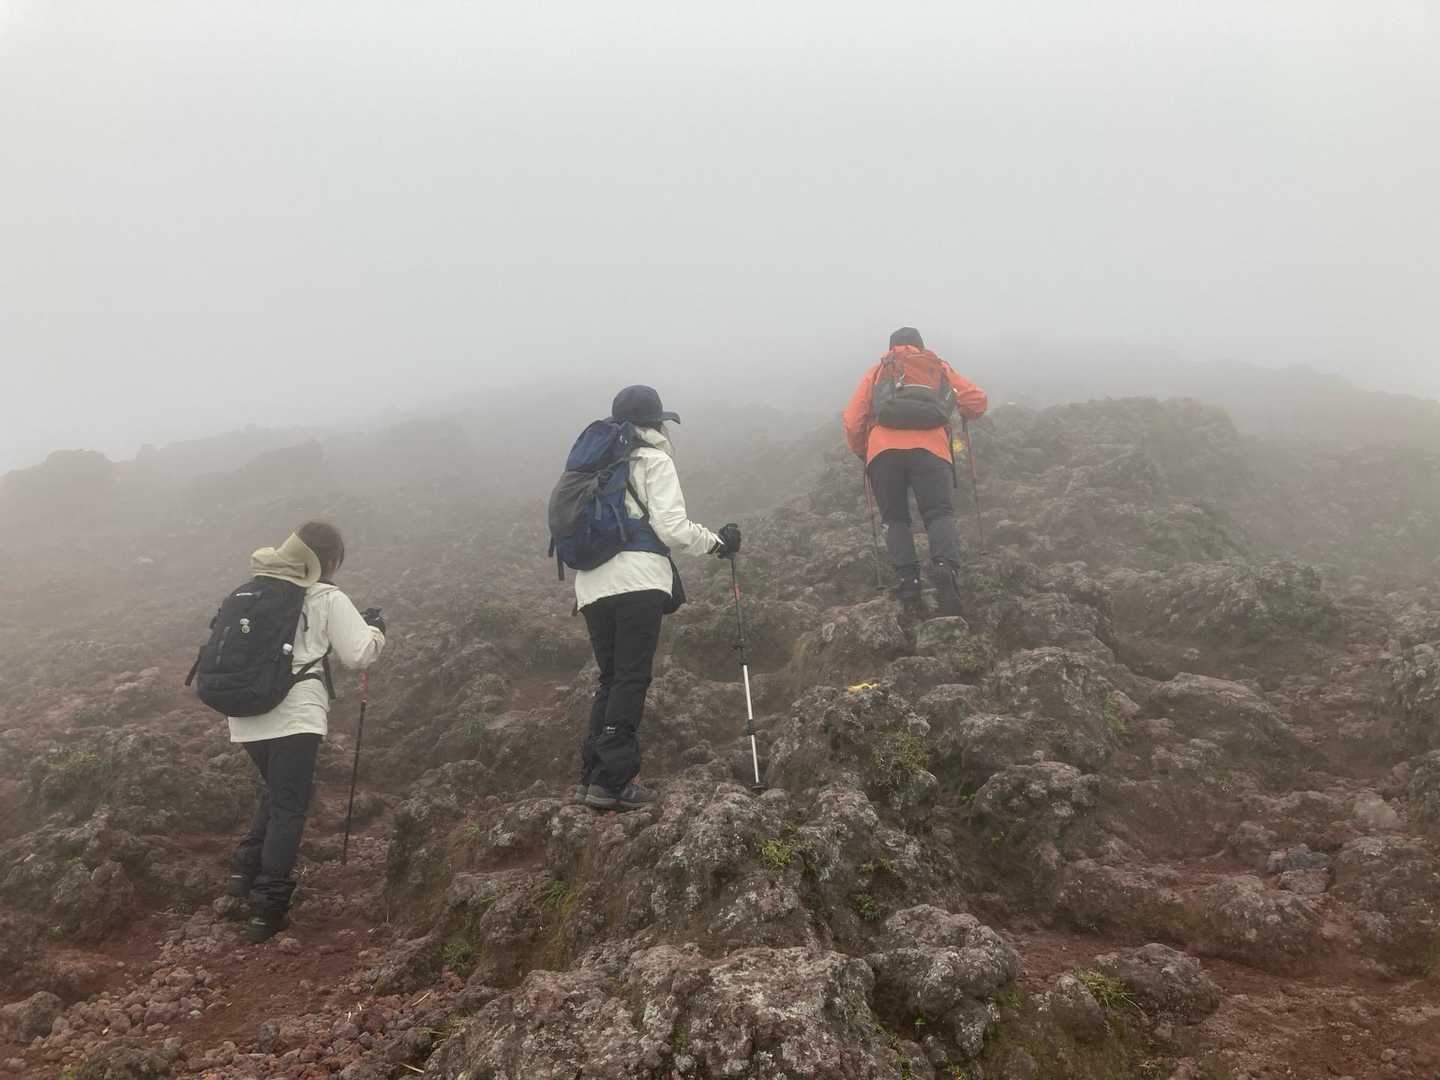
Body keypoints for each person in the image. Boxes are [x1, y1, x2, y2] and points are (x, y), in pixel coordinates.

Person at [574, 385, 739, 812]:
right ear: (654, 424)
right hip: (637, 581)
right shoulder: (654, 460)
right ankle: (613, 782)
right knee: (631, 678)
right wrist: (717, 543)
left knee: (611, 678)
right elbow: (671, 527)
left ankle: (592, 778)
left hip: (590, 585)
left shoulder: (594, 467)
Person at [226, 521, 387, 943]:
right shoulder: (326, 596)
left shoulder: (254, 591)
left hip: (244, 715)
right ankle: (267, 908)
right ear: (328, 560)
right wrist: (377, 630)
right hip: (294, 717)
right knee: (290, 805)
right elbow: (359, 654)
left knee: (278, 791)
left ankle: (243, 873)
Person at [842, 327, 988, 615]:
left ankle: (909, 583)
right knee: (939, 514)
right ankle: (945, 569)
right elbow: (977, 401)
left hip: (884, 453)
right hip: (931, 451)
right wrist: (963, 413)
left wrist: (863, 450)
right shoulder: (937, 366)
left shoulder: (878, 371)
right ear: (921, 347)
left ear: (891, 348)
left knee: (895, 518)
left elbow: (852, 419)